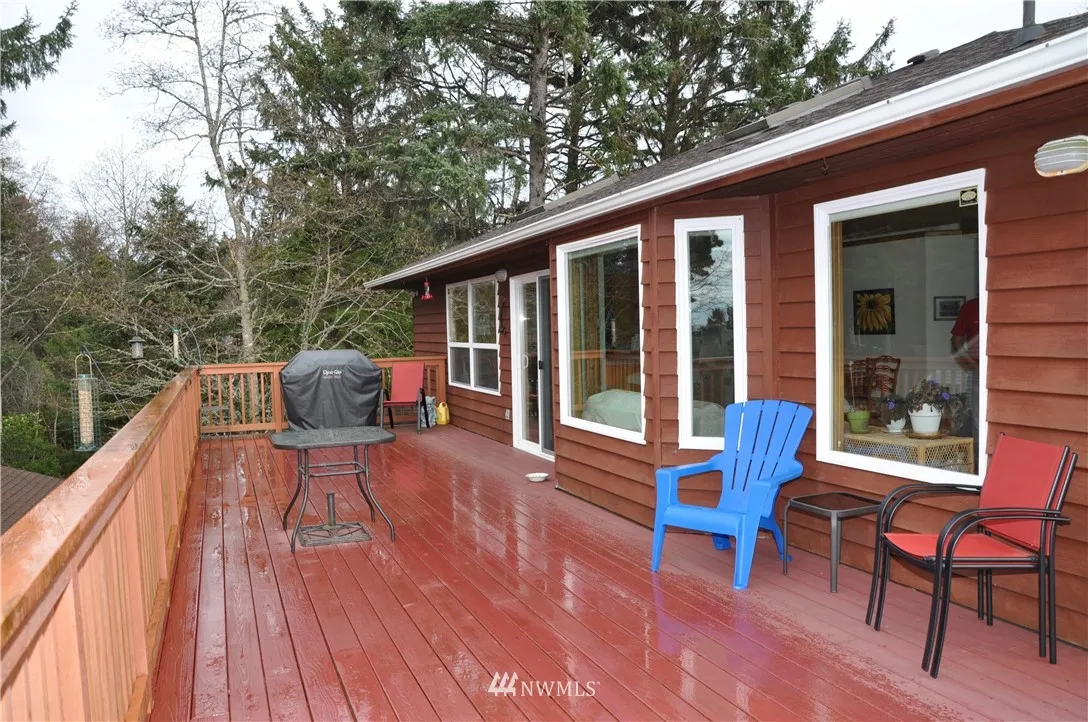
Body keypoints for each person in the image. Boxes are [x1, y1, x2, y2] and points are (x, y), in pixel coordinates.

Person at [950, 297, 980, 458]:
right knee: (978, 418)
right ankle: (978, 463)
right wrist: (973, 365)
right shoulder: (971, 307)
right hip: (980, 369)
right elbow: (956, 339)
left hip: (1006, 369)